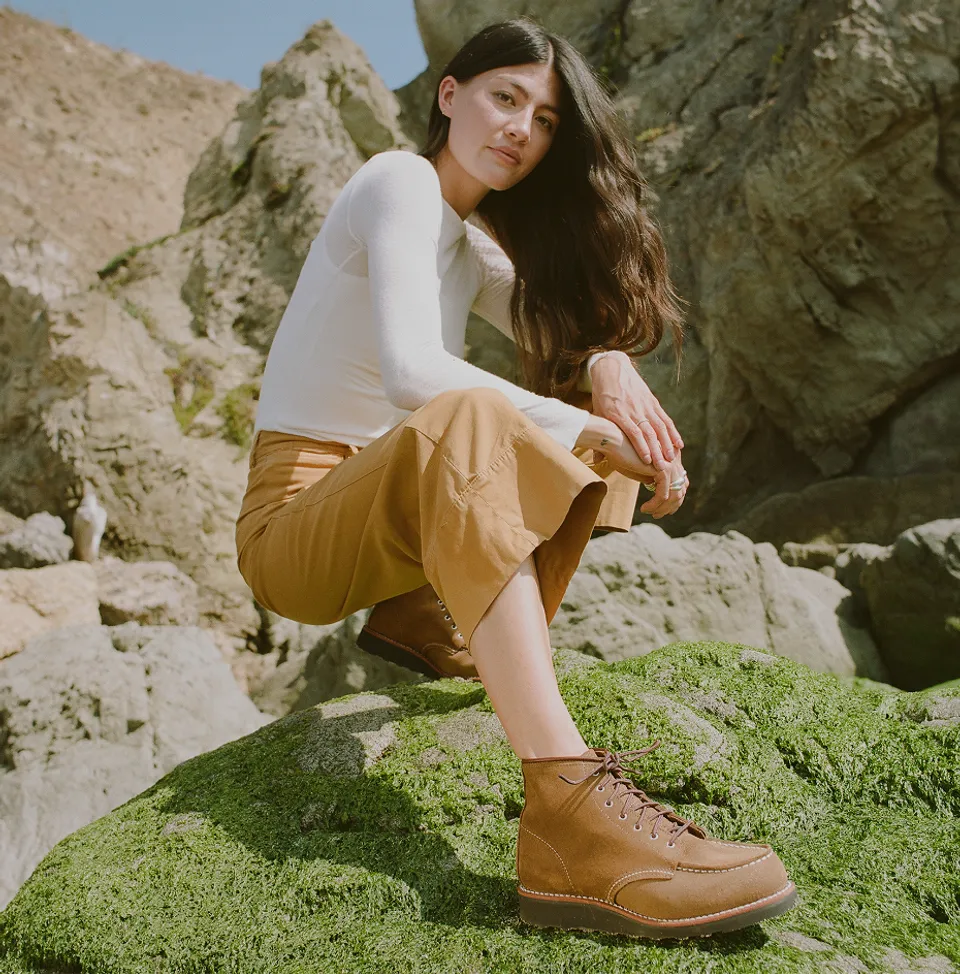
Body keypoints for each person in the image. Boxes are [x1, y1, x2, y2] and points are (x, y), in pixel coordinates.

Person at [235, 17, 797, 940]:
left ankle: (427, 613)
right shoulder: (399, 182)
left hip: (386, 514)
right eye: (505, 98)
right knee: (475, 415)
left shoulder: (469, 241)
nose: (520, 131)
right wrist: (586, 420)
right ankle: (569, 811)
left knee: (580, 422)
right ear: (449, 95)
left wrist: (610, 370)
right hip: (294, 519)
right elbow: (414, 371)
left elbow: (558, 341)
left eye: (542, 121)